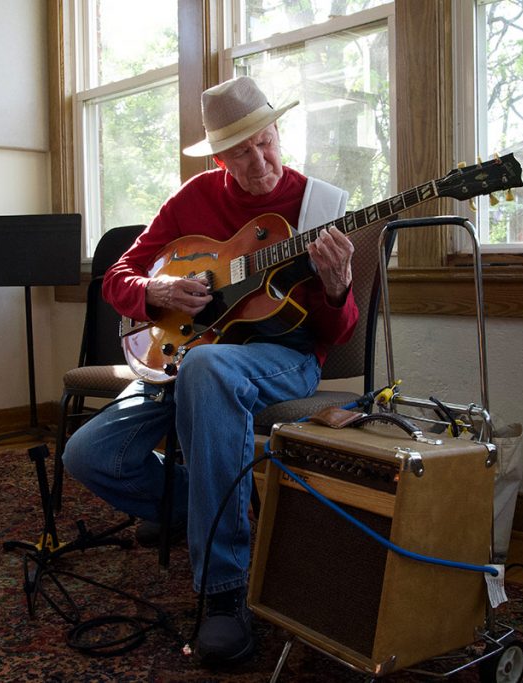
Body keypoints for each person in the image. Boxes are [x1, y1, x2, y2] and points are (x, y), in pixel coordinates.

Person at [61, 76, 357, 667]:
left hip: (284, 358)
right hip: (190, 356)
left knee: (209, 365)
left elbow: (336, 334)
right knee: (88, 455)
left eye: (265, 143)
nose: (259, 161)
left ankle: (223, 591)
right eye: (241, 153)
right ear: (219, 158)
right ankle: (200, 506)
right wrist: (154, 291)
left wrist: (337, 286)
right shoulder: (192, 199)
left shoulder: (317, 206)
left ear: (278, 132)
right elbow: (118, 277)